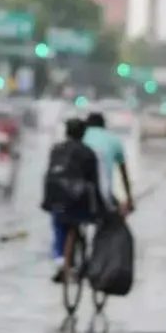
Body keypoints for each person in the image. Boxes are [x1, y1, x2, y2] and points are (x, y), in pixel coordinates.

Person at [42, 118, 104, 282]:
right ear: (83, 134)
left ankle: (60, 260)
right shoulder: (88, 153)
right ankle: (79, 260)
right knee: (81, 221)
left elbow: (49, 176)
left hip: (57, 198)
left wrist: (46, 201)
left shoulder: (56, 150)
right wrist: (100, 209)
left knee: (58, 226)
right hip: (79, 201)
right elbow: (95, 184)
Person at [82, 112, 134, 213]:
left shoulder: (80, 138)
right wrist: (129, 199)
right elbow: (123, 173)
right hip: (103, 195)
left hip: (73, 195)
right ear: (104, 126)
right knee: (116, 222)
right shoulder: (114, 140)